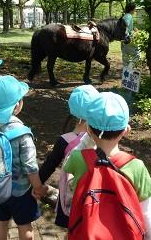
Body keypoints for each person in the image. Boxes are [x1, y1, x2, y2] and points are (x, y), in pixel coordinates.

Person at [64, 92, 151, 239]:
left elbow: (67, 165)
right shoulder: (136, 166)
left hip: (87, 232)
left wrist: (88, 137)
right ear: (126, 131)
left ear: (88, 129)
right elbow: (147, 213)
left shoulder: (77, 159)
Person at [0, 75, 48, 240]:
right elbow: (30, 167)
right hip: (20, 191)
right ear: (17, 105)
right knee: (25, 226)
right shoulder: (22, 133)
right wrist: (38, 188)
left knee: (0, 221)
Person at [36, 85, 98, 228]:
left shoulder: (64, 140)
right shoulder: (100, 139)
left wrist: (36, 185)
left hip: (70, 198)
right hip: (94, 195)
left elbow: (50, 165)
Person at [121, 2, 141, 66]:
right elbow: (125, 26)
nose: (135, 10)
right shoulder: (129, 16)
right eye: (135, 9)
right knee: (137, 55)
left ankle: (126, 72)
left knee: (125, 57)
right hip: (128, 39)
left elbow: (125, 26)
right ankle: (132, 68)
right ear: (132, 9)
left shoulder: (124, 16)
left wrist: (133, 29)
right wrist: (127, 37)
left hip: (123, 40)